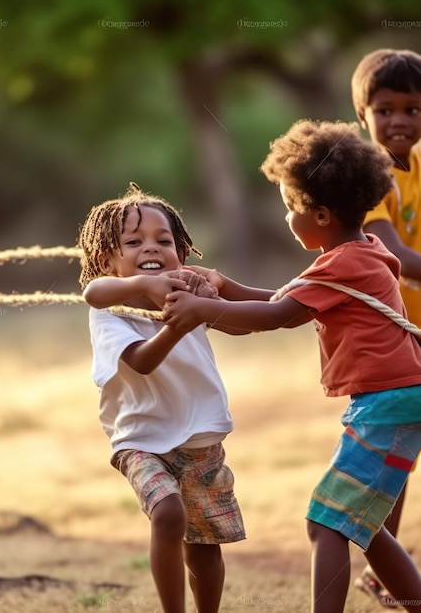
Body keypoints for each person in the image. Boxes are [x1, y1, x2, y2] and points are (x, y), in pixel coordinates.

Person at [163, 120, 421, 613]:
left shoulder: (343, 263)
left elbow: (277, 316)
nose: (285, 218)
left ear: (320, 214)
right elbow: (286, 302)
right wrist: (222, 286)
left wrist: (201, 310)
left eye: (290, 208)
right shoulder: (359, 253)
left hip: (387, 404)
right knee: (361, 522)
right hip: (399, 399)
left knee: (325, 524)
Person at [77, 183, 245, 613]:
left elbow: (251, 317)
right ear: (107, 262)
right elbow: (140, 360)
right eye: (133, 242)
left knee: (204, 548)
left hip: (199, 439)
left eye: (163, 240)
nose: (150, 247)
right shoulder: (110, 311)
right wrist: (177, 323)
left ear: (182, 254)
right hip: (141, 439)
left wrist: (221, 291)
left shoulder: (190, 295)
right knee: (169, 515)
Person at [351, 48, 421, 607]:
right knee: (394, 459)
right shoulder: (371, 177)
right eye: (385, 108)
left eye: (413, 108)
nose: (399, 120)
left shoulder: (417, 169)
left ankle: (390, 569)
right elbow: (393, 254)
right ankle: (385, 564)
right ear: (362, 114)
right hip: (389, 341)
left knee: (405, 455)